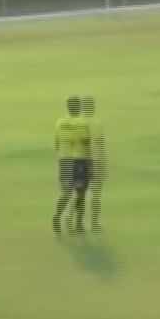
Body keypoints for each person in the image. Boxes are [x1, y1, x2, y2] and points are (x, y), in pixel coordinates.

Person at [53, 97, 94, 235]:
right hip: (79, 161)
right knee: (81, 193)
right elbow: (85, 143)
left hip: (64, 160)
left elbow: (57, 144)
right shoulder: (84, 124)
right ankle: (78, 224)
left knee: (66, 192)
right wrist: (91, 166)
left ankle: (57, 216)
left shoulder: (59, 123)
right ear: (80, 107)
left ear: (67, 107)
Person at [79, 96, 107, 232]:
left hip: (78, 162)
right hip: (93, 162)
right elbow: (100, 145)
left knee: (80, 194)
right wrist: (102, 164)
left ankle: (77, 223)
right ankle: (94, 223)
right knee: (95, 195)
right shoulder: (97, 124)